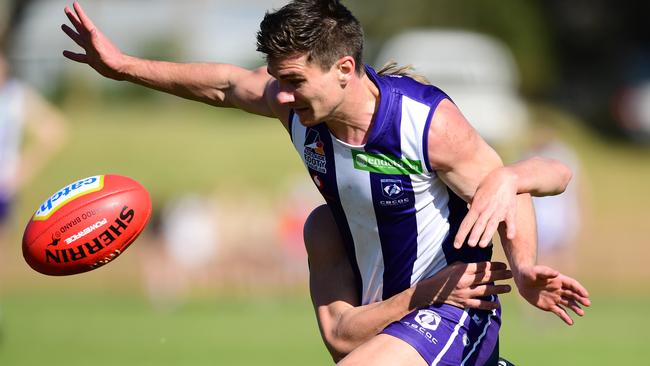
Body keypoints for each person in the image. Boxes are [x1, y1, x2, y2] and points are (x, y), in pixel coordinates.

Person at [61, 1, 590, 365]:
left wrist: (521, 265)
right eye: (277, 80)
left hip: (458, 306)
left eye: (294, 81)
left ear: (343, 68)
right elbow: (225, 84)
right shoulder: (305, 136)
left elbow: (545, 177)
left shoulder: (424, 124)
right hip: (391, 314)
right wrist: (124, 66)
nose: (280, 96)